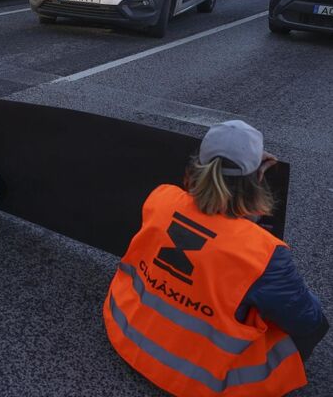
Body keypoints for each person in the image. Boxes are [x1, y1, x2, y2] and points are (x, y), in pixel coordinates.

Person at [104, 120, 329, 397]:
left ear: (198, 166)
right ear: (258, 179)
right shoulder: (263, 252)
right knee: (306, 314)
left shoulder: (161, 199)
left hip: (127, 332)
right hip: (200, 380)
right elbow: (307, 322)